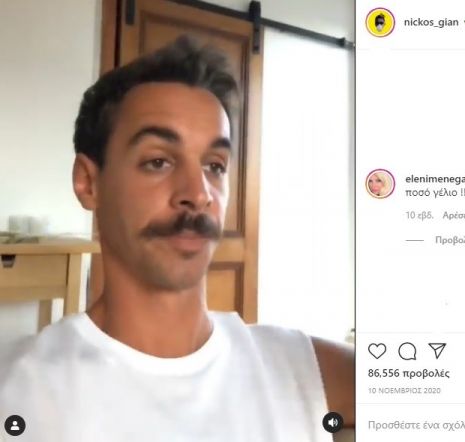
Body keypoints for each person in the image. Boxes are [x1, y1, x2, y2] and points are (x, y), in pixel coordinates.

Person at [0, 35, 353, 441]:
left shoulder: (305, 370)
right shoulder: (17, 389)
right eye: (158, 161)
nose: (199, 193)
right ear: (88, 182)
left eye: (215, 166)